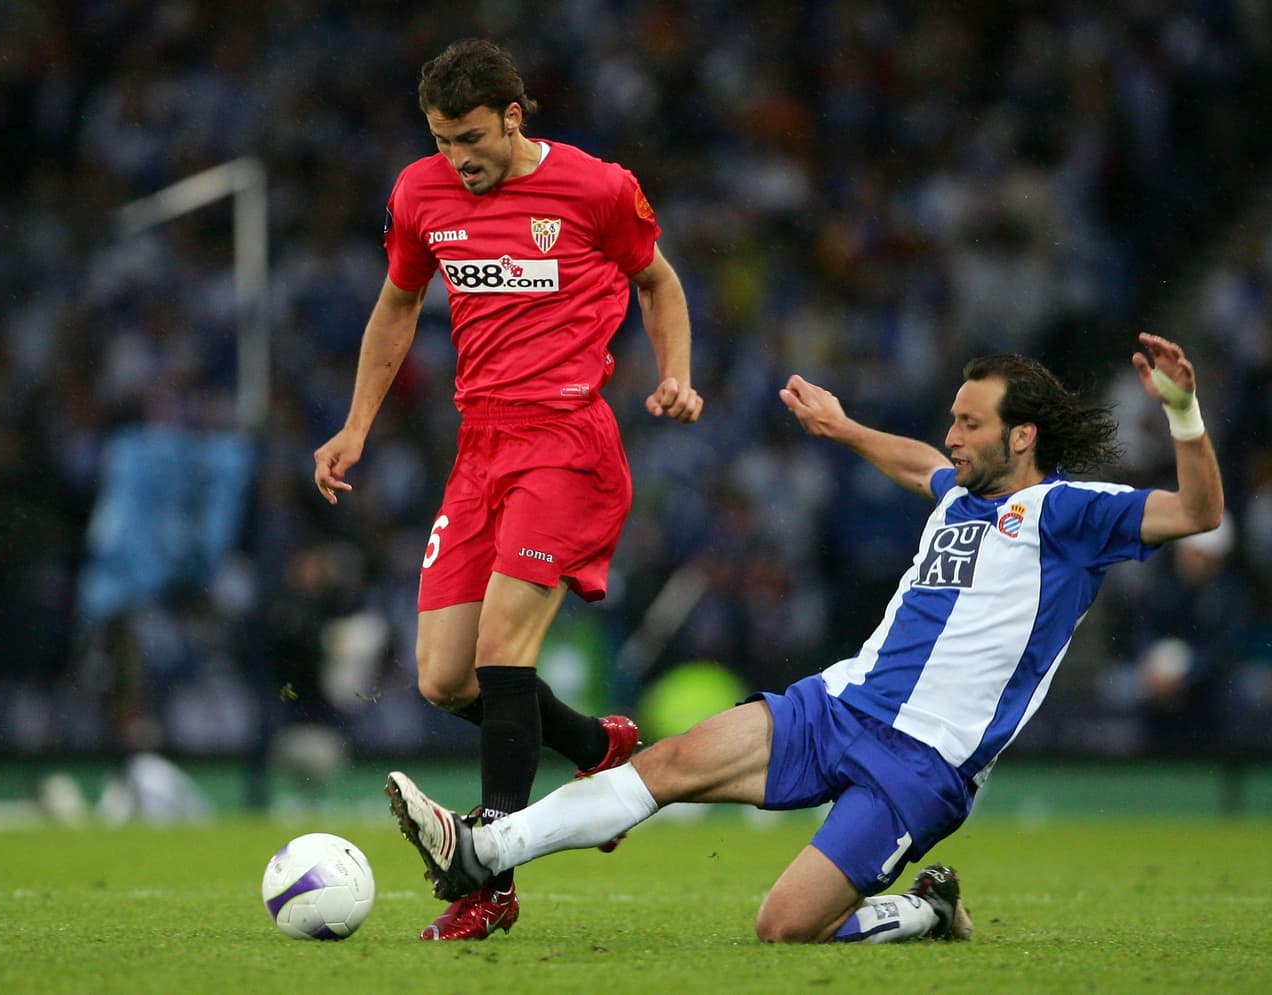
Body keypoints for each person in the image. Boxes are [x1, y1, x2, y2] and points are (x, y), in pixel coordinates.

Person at [384, 332, 1222, 944]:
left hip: (921, 765)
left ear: (1023, 436)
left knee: (783, 928)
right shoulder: (958, 494)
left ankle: (922, 910)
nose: (953, 437)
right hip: (840, 703)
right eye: (954, 421)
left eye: (969, 423)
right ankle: (484, 848)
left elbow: (1197, 512)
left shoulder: (1070, 514)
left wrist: (1183, 411)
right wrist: (844, 427)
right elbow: (913, 462)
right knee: (667, 763)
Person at [313, 38, 702, 940]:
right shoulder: (420, 195)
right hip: (479, 446)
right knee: (444, 678)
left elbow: (660, 281)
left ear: (515, 117)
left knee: (501, 647)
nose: (460, 159)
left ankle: (488, 872)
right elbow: (399, 304)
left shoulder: (598, 188)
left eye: (474, 139)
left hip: (567, 442)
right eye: (444, 141)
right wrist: (357, 424)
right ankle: (597, 747)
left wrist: (676, 372)